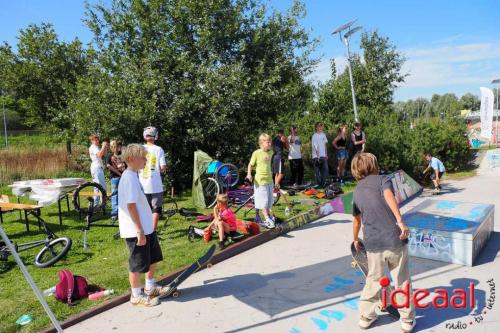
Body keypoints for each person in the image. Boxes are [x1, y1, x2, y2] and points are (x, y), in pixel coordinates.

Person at [351, 153, 415, 332]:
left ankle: (366, 316)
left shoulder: (355, 191)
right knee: (401, 278)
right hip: (394, 239)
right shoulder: (383, 180)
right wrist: (400, 221)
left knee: (374, 280)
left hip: (373, 244)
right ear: (374, 166)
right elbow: (388, 196)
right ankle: (407, 320)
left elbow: (356, 221)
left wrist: (355, 240)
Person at [118, 144, 171, 307]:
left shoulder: (134, 175)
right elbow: (131, 205)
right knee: (137, 263)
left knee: (153, 257)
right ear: (132, 159)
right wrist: (139, 230)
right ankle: (136, 295)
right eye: (143, 157)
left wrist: (146, 228)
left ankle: (150, 286)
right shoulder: (128, 178)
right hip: (136, 230)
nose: (146, 160)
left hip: (147, 227)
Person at [139, 126, 167, 231]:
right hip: (155, 184)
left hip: (142, 183)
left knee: (145, 209)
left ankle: (145, 229)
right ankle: (153, 231)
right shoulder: (159, 149)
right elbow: (162, 167)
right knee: (156, 209)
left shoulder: (140, 149)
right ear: (155, 136)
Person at [247, 133, 277, 229]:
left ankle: (270, 217)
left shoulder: (271, 152)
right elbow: (250, 165)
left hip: (269, 180)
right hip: (260, 181)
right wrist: (249, 174)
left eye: (270, 142)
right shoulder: (256, 153)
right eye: (267, 142)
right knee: (263, 201)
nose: (269, 143)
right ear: (261, 143)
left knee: (269, 201)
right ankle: (267, 218)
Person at [106, 140, 126, 221]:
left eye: (120, 146)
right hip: (115, 177)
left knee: (125, 194)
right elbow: (109, 166)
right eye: (118, 146)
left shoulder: (123, 155)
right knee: (115, 195)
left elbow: (127, 165)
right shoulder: (109, 155)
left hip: (124, 177)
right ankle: (114, 213)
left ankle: (124, 212)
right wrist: (120, 173)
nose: (120, 148)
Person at [88, 134, 109, 204]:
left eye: (97, 139)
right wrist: (103, 146)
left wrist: (105, 147)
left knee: (96, 187)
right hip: (96, 167)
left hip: (97, 167)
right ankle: (102, 203)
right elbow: (100, 154)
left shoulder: (96, 147)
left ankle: (95, 204)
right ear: (92, 141)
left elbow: (104, 155)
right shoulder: (94, 147)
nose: (97, 141)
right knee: (101, 186)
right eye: (95, 140)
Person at [311, 122, 329, 186]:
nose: (321, 127)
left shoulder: (323, 134)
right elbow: (316, 147)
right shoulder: (314, 136)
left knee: (325, 169)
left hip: (323, 155)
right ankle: (319, 184)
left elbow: (325, 145)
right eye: (319, 126)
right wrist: (318, 156)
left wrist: (326, 154)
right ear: (316, 127)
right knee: (317, 171)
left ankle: (323, 182)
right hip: (316, 156)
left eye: (321, 126)